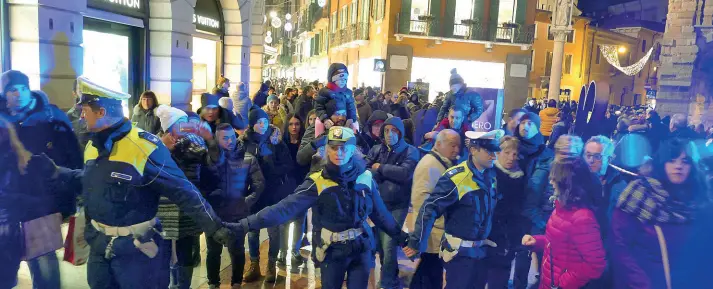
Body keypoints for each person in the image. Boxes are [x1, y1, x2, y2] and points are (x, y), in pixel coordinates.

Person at [31, 76, 237, 288]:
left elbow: (183, 191)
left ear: (102, 112)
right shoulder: (93, 146)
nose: (81, 115)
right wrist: (57, 172)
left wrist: (214, 227)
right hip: (100, 250)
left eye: (85, 110)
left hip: (137, 254)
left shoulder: (145, 147)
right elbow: (90, 181)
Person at [226, 126, 409, 289]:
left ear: (353, 149)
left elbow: (381, 215)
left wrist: (404, 238)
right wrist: (244, 225)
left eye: (344, 148)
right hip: (332, 251)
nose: (339, 153)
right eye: (333, 147)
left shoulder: (365, 178)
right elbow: (284, 208)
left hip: (361, 249)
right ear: (327, 149)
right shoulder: (318, 181)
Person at [1, 70, 83, 288]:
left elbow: (73, 159)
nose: (18, 94)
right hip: (6, 205)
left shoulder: (52, 117)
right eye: (11, 90)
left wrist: (67, 202)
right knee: (4, 269)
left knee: (44, 267)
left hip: (41, 205)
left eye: (22, 89)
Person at [405, 129, 505, 289]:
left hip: (481, 252)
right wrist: (417, 242)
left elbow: (491, 212)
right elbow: (429, 208)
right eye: (488, 151)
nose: (494, 156)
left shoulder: (490, 176)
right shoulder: (456, 178)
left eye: (495, 151)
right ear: (473, 150)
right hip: (460, 254)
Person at [610, 139, 713, 288]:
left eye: (685, 161)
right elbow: (620, 246)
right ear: (661, 162)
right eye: (672, 160)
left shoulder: (700, 200)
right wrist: (640, 283)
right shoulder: (640, 194)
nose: (678, 166)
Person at [155, 105, 221, 289]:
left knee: (177, 250)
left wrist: (209, 140)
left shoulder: (185, 140)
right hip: (176, 202)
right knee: (175, 250)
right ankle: (177, 284)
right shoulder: (165, 141)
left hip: (178, 203)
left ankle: (179, 285)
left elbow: (209, 160)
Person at [522, 157, 607, 289]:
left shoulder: (583, 219)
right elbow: (559, 244)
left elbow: (595, 264)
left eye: (554, 178)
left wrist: (564, 282)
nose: (551, 182)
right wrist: (536, 241)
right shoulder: (561, 208)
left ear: (567, 183)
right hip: (549, 281)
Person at [0, 115, 62, 289]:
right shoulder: (23, 159)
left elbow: (41, 198)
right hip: (15, 230)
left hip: (18, 230)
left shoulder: (24, 161)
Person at [202, 123, 266, 289]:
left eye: (232, 137)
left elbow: (258, 185)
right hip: (214, 215)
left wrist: (245, 203)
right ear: (217, 139)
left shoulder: (248, 158)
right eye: (225, 138)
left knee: (237, 251)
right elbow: (202, 186)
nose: (230, 141)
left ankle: (236, 283)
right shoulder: (209, 159)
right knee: (213, 252)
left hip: (238, 215)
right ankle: (213, 283)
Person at [365, 116, 420, 289]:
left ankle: (387, 283)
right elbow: (365, 170)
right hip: (377, 204)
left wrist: (380, 168)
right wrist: (384, 171)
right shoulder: (376, 149)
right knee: (381, 245)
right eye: (386, 131)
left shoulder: (410, 151)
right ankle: (392, 276)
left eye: (393, 131)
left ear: (400, 133)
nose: (389, 135)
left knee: (388, 245)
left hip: (398, 204)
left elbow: (404, 173)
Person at [242, 108, 295, 282]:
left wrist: (272, 168)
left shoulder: (276, 142)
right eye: (258, 122)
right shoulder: (244, 142)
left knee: (274, 231)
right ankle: (254, 265)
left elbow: (288, 165)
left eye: (265, 122)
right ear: (252, 124)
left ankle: (271, 265)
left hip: (273, 192)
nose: (262, 125)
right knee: (253, 231)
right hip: (253, 194)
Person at [407, 129, 461, 289]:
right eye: (452, 145)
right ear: (438, 144)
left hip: (435, 231)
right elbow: (420, 201)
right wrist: (443, 221)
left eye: (458, 146)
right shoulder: (429, 165)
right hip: (431, 232)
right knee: (430, 272)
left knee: (430, 271)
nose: (456, 150)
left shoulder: (442, 162)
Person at [487, 136, 530, 289]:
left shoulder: (522, 175)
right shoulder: (491, 173)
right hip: (492, 231)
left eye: (514, 154)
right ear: (498, 153)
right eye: (506, 152)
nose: (511, 157)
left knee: (501, 273)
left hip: (511, 232)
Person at [315, 63, 358, 131]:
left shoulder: (348, 92)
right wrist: (325, 119)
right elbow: (319, 107)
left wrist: (351, 118)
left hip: (345, 123)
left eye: (344, 80)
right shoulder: (324, 92)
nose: (342, 82)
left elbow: (351, 107)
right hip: (329, 124)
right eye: (339, 79)